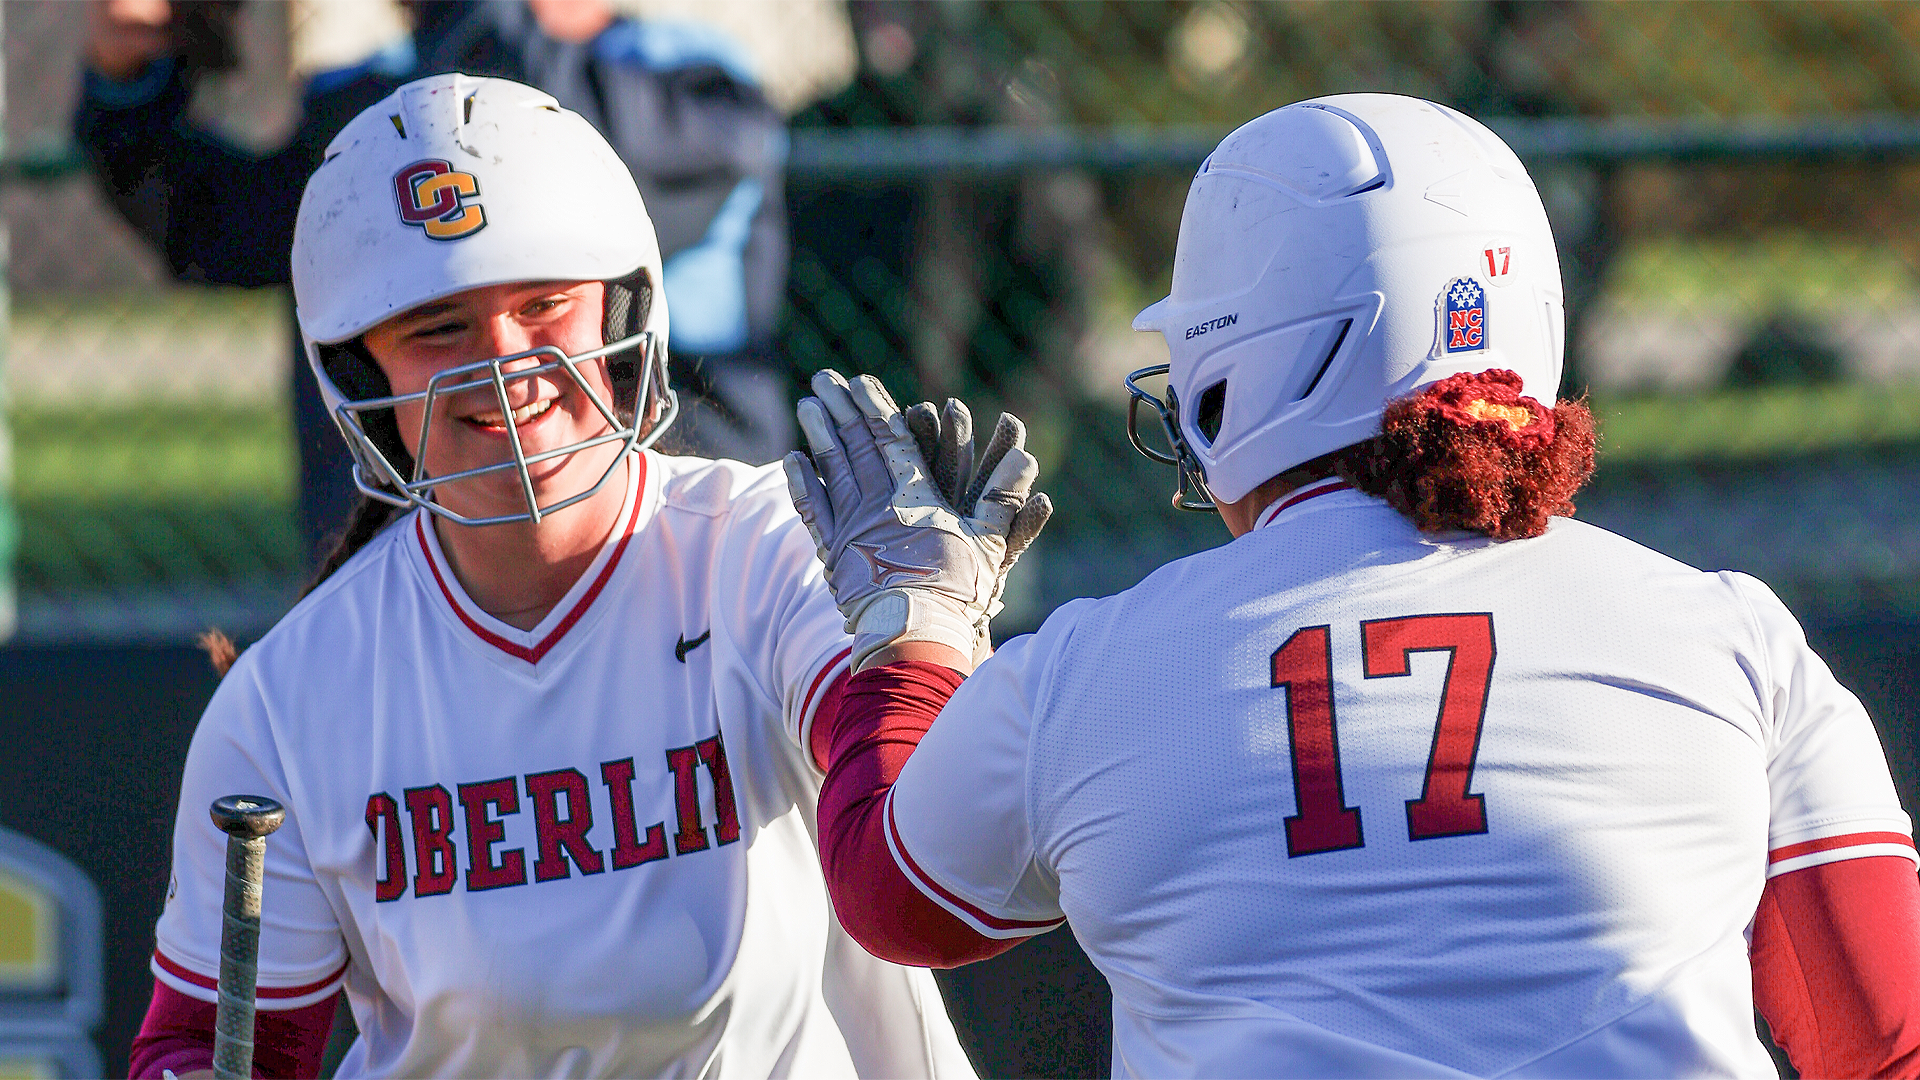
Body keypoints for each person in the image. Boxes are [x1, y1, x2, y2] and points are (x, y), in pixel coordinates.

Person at [785, 94, 1920, 1078]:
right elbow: (1881, 1034)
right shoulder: (1728, 635)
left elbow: (892, 893)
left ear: (1238, 369)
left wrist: (914, 626)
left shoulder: (1088, 677)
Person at [127, 74, 974, 1079]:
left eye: (544, 305)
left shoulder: (760, 550)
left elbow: (926, 872)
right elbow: (211, 1043)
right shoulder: (289, 700)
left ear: (621, 312)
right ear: (361, 375)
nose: (504, 363)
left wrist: (919, 637)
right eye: (438, 328)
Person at [76, 0, 795, 564]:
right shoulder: (376, 101)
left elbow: (521, 144)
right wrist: (135, 83)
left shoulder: (692, 80)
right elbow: (217, 232)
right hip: (412, 571)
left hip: (671, 557)